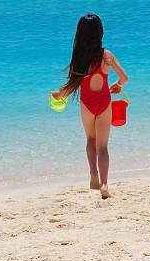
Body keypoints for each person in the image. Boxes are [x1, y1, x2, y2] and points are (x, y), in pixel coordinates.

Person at [50, 14, 128, 199]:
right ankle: (104, 184)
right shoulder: (106, 56)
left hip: (87, 105)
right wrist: (118, 85)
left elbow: (72, 85)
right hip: (104, 104)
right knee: (103, 147)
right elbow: (124, 78)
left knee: (90, 140)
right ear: (100, 32)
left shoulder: (80, 58)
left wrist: (59, 95)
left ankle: (93, 173)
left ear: (80, 34)